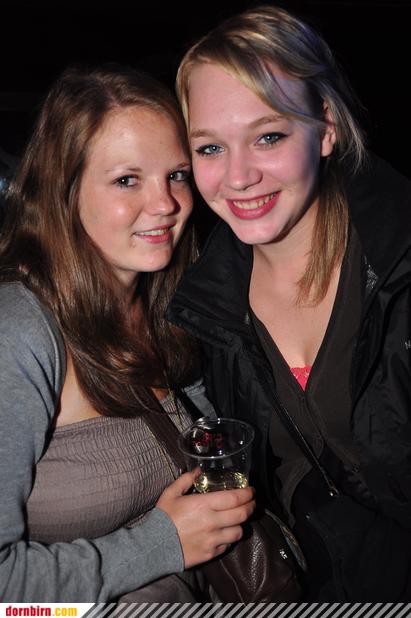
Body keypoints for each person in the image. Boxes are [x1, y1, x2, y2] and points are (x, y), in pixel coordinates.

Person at [167, 4, 411, 601]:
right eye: (210, 148)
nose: (239, 177)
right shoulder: (204, 304)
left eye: (268, 136)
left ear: (325, 128)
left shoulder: (398, 263)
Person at [0, 64, 255, 602]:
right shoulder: (18, 333)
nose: (166, 204)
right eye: (126, 180)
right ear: (64, 191)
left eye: (176, 175)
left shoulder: (171, 305)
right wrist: (160, 544)